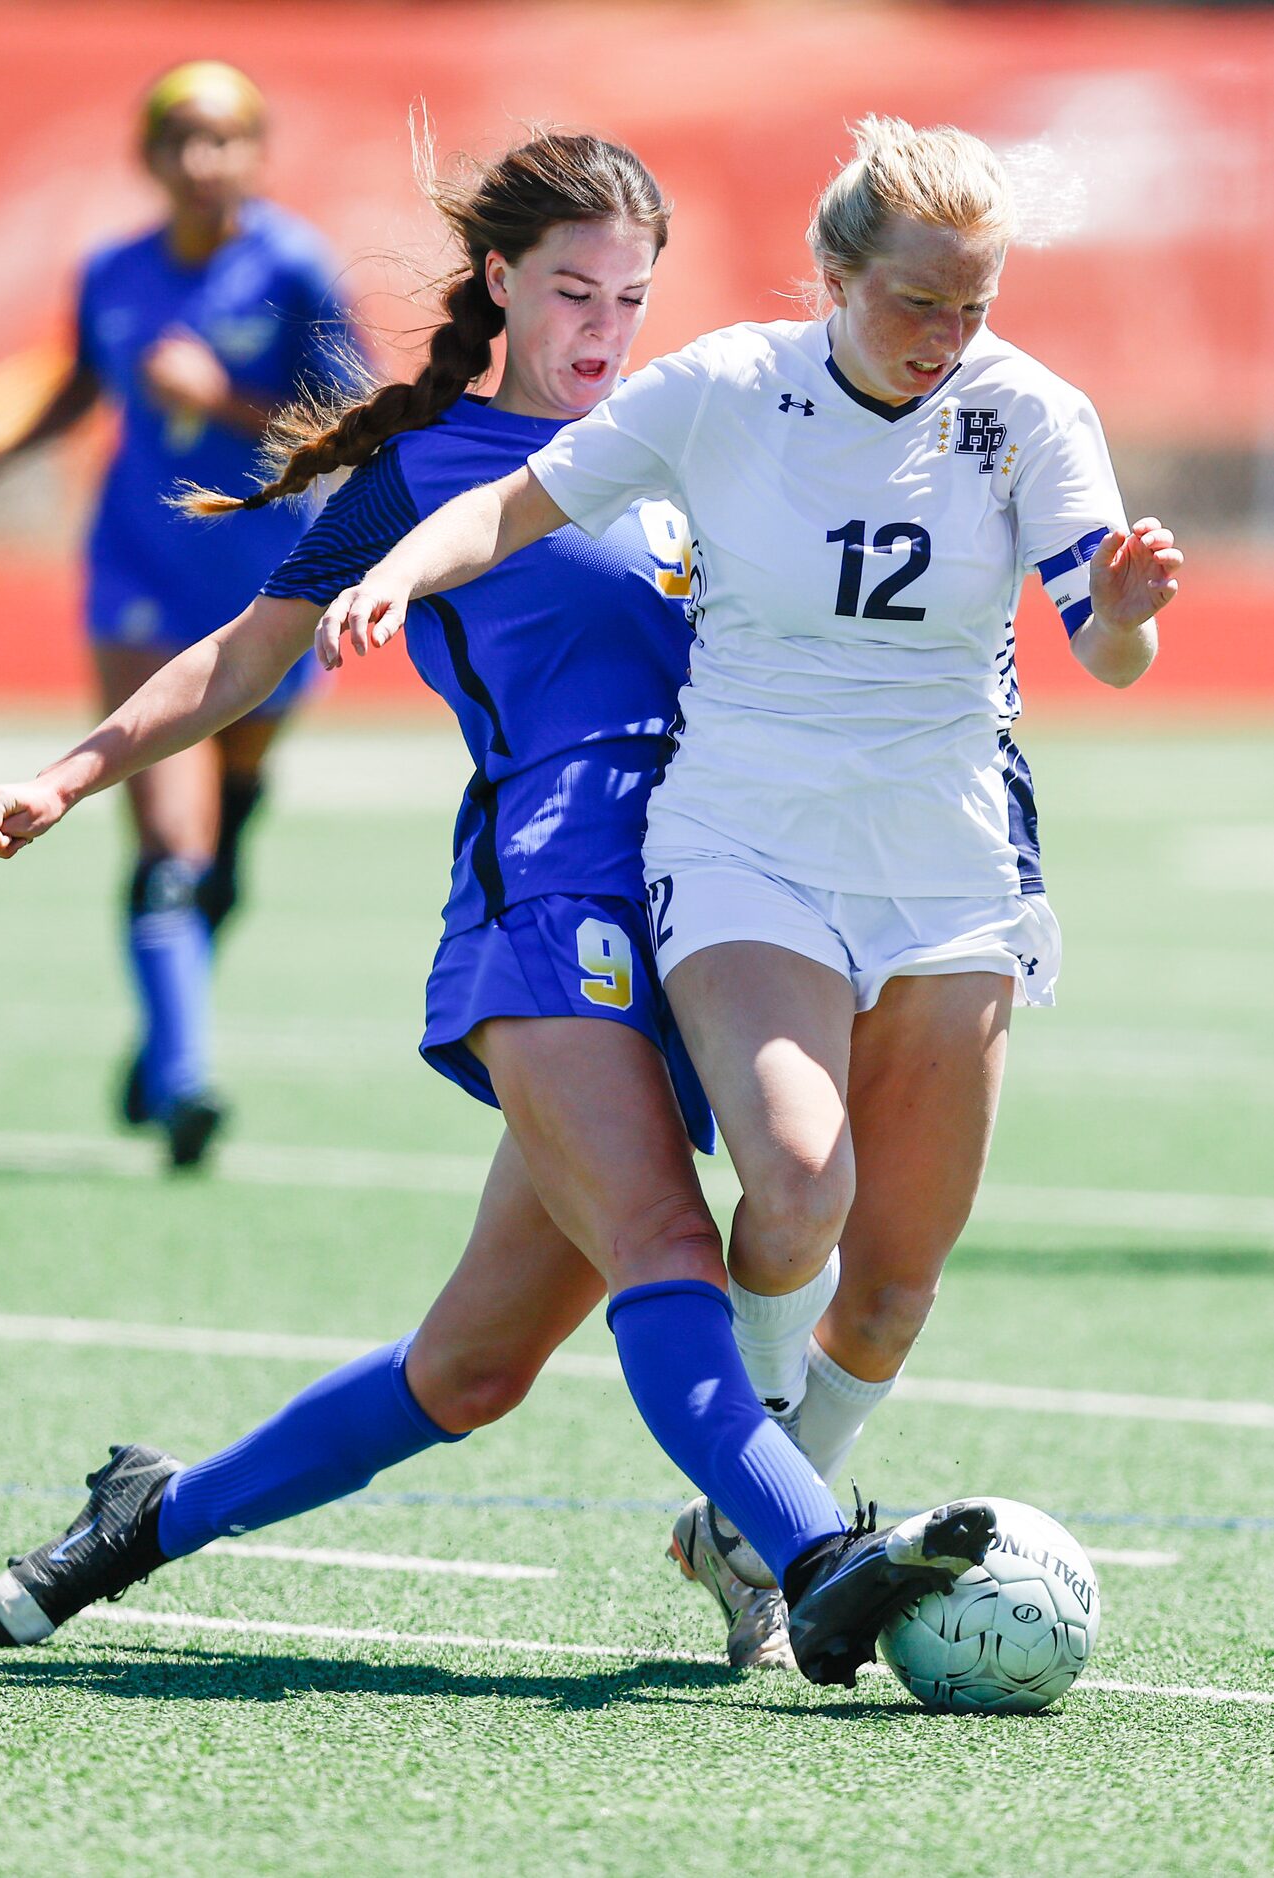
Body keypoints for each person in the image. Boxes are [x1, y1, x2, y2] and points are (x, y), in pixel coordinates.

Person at [0, 130, 996, 1688]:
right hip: (549, 889)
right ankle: (815, 1548)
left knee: (470, 1368)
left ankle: (146, 1515)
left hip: (718, 901)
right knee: (663, 1238)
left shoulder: (685, 438)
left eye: (632, 297)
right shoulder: (423, 472)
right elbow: (245, 654)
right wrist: (75, 772)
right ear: (500, 281)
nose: (603, 326)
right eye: (574, 289)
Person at [307, 117, 1183, 1654]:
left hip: (950, 862)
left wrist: (1120, 612)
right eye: (919, 302)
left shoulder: (1028, 411)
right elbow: (516, 503)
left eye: (974, 306)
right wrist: (395, 570)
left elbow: (1106, 653)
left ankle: (744, 1532)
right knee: (792, 1184)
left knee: (892, 1293)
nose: (949, 338)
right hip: (744, 841)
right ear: (834, 277)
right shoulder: (723, 389)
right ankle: (791, 1516)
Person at [0, 61, 363, 1166]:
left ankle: (160, 1035)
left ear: (254, 154)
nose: (200, 160)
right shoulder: (112, 271)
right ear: (149, 156)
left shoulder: (294, 268)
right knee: (168, 837)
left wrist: (222, 401)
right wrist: (10, 449)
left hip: (268, 580)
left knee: (224, 833)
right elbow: (87, 385)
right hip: (138, 568)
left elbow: (353, 422)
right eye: (179, 139)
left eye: (223, 139)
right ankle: (185, 1078)